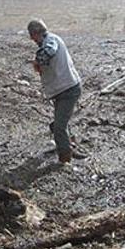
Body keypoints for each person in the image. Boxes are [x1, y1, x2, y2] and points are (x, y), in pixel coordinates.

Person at [28, 18, 82, 164]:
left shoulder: (50, 40)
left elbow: (49, 51)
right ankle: (69, 145)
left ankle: (65, 160)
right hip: (62, 89)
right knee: (60, 123)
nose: (31, 39)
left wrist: (37, 61)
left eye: (32, 35)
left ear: (36, 33)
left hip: (69, 90)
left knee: (59, 127)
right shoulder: (50, 39)